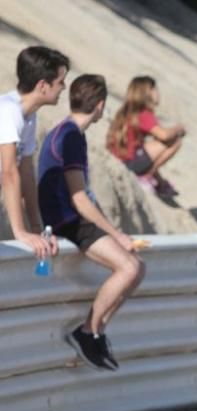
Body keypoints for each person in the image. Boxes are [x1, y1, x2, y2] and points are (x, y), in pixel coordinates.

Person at [38, 74, 145, 371]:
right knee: (129, 267)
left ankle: (97, 331)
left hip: (69, 216)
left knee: (138, 268)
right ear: (99, 106)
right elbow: (80, 199)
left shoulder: (69, 132)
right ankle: (87, 332)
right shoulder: (71, 136)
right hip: (66, 219)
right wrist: (118, 234)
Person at [1, 46, 67, 260]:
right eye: (60, 82)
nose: (64, 87)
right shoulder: (8, 111)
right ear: (42, 86)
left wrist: (38, 229)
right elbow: (9, 173)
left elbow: (26, 173)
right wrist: (20, 232)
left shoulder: (28, 115)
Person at [106, 75, 185, 197]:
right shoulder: (144, 114)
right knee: (175, 141)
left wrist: (160, 180)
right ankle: (145, 177)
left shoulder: (128, 111)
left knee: (150, 147)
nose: (158, 94)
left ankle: (159, 182)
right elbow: (164, 135)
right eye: (156, 90)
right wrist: (178, 128)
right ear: (148, 93)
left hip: (120, 157)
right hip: (128, 161)